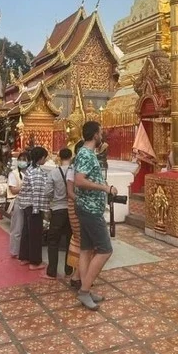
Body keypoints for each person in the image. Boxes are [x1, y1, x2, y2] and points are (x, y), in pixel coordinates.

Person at [74, 121, 117, 310]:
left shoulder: (89, 154)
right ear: (94, 135)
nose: (103, 136)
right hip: (90, 210)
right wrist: (105, 187)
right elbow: (79, 181)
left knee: (86, 249)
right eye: (101, 132)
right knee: (105, 250)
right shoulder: (85, 154)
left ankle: (86, 288)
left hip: (87, 207)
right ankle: (84, 291)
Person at [17, 147, 50, 271]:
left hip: (26, 204)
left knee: (27, 231)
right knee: (35, 233)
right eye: (45, 157)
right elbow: (36, 191)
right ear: (41, 158)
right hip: (33, 205)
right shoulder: (36, 172)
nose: (45, 160)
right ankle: (35, 262)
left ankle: (24, 257)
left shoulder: (30, 169)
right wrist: (37, 209)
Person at [44, 148, 74, 279]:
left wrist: (52, 202)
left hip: (57, 209)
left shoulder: (54, 173)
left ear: (59, 157)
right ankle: (69, 270)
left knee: (53, 241)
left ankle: (52, 271)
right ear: (71, 157)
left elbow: (48, 192)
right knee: (70, 240)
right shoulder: (74, 172)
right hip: (72, 210)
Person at [65, 145, 83, 289]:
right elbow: (70, 191)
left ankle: (80, 274)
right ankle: (78, 275)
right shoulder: (73, 168)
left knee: (85, 241)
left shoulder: (81, 165)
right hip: (77, 206)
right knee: (82, 240)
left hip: (80, 205)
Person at [7, 152, 29, 258]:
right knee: (17, 227)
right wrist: (25, 187)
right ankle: (15, 251)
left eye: (25, 159)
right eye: (21, 159)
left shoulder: (30, 173)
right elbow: (13, 190)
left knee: (26, 228)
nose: (22, 161)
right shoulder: (14, 173)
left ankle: (24, 251)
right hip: (18, 201)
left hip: (28, 202)